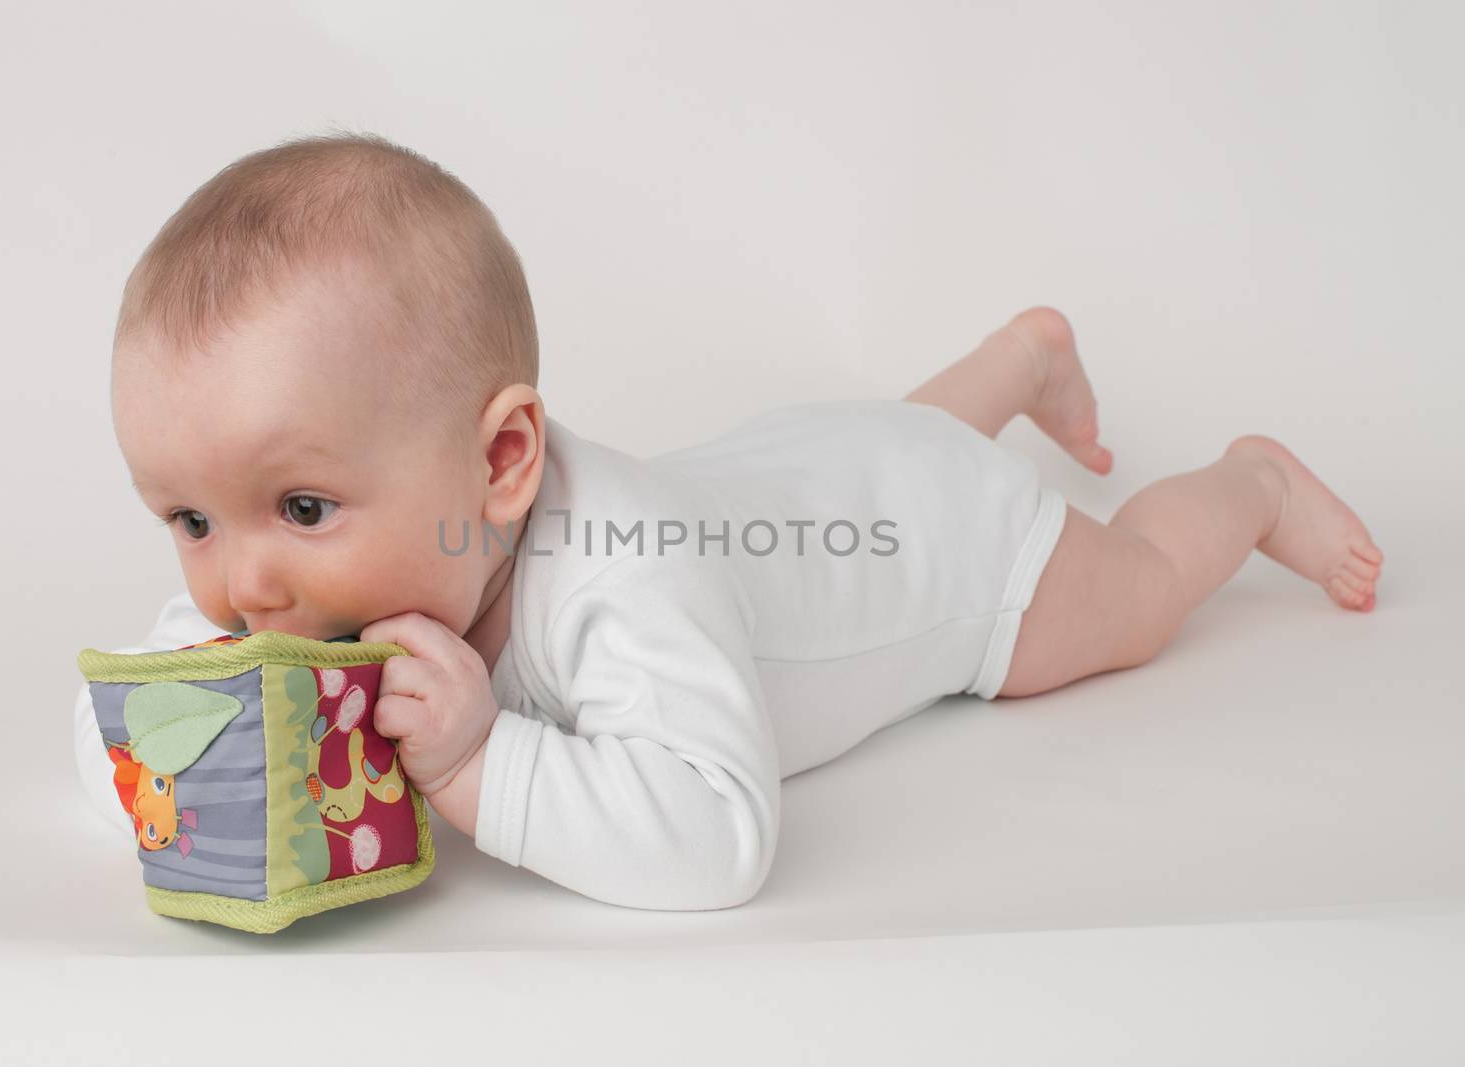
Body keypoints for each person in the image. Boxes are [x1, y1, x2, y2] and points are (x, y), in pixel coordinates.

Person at [74, 132, 1384, 911]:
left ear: (503, 462)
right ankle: (1019, 364)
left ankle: (1252, 483)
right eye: (188, 518)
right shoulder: (282, 588)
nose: (242, 587)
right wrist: (177, 751)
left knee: (1132, 597)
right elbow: (115, 745)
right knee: (887, 446)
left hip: (955, 553)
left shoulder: (621, 577)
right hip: (809, 469)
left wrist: (481, 773)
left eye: (302, 507)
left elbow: (719, 837)